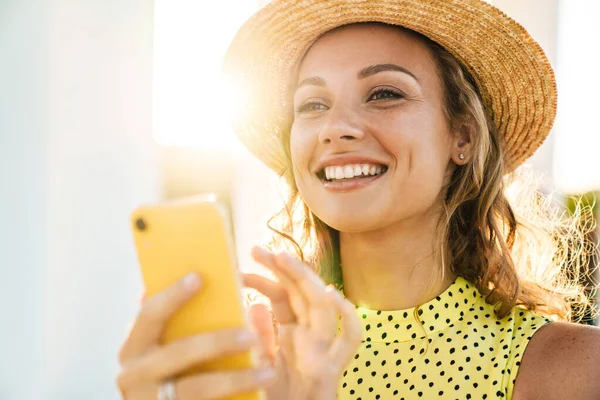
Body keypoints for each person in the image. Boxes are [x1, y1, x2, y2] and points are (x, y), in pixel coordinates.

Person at [116, 0, 600, 399]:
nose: (335, 128)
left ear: (464, 137)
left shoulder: (575, 369)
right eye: (312, 105)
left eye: (384, 93)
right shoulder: (249, 358)